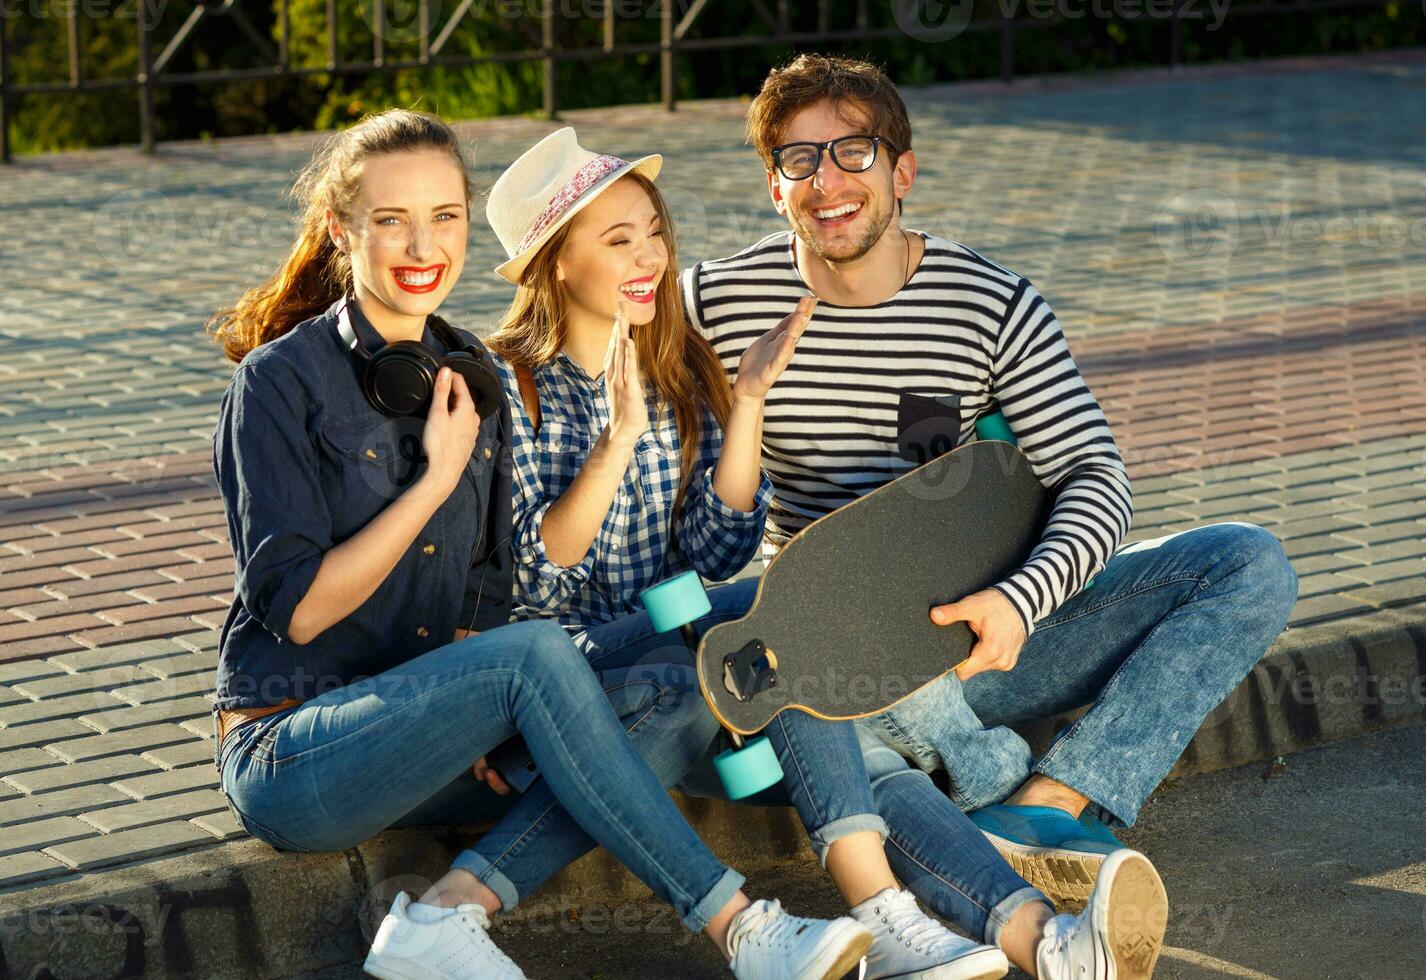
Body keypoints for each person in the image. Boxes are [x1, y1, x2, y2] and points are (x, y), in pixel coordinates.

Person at [482, 125, 1170, 980]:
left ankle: (1047, 944)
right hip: (576, 669)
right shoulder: (505, 386)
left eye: (655, 232)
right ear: (552, 264)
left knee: (860, 747)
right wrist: (617, 438)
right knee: (786, 642)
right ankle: (885, 915)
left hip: (688, 652)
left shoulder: (664, 372)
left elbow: (718, 544)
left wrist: (748, 403)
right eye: (619, 240)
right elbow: (537, 571)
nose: (650, 257)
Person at [206, 107, 875, 980]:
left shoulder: (468, 375)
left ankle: (442, 918)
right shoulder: (277, 384)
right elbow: (296, 612)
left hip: (436, 744)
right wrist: (434, 484)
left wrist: (476, 709)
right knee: (536, 655)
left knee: (699, 668)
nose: (422, 245)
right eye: (392, 220)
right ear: (341, 230)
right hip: (296, 752)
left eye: (444, 217)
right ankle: (742, 928)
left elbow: (479, 610)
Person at [681, 53, 1300, 906]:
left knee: (1246, 564)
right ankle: (984, 846)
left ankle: (1045, 805)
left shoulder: (990, 304)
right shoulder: (715, 302)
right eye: (799, 160)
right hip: (832, 662)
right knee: (814, 680)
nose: (827, 180)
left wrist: (1020, 600)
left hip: (984, 637)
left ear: (902, 171)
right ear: (774, 188)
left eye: (853, 152)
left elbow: (1094, 474)